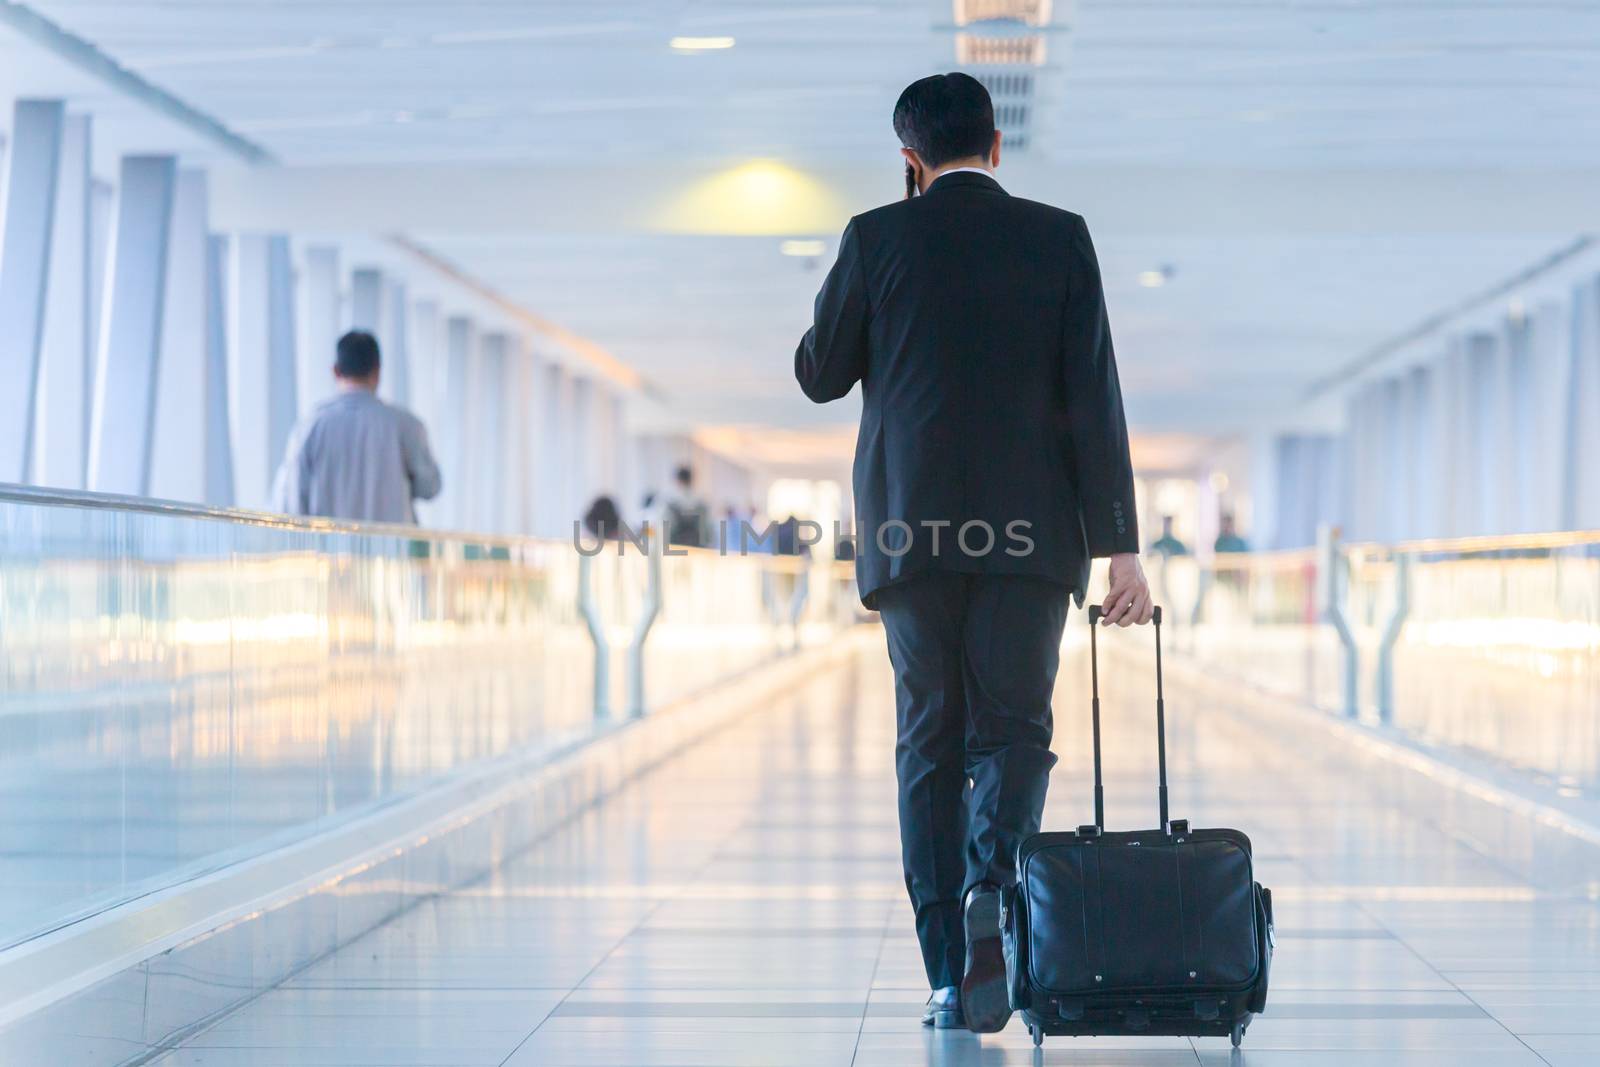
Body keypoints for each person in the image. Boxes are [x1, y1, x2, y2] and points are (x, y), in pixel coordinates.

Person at [795, 72, 1153, 1033]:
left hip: (912, 533)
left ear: (909, 161)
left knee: (929, 737)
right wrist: (1122, 548)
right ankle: (994, 888)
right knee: (1014, 729)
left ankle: (949, 968)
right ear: (998, 147)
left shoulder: (877, 236)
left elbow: (819, 374)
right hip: (1034, 536)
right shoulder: (1060, 236)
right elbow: (1095, 397)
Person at [271, 331, 441, 524]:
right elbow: (430, 487)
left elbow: (291, 503)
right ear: (377, 372)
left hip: (326, 551)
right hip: (391, 550)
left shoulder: (310, 427)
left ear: (335, 371)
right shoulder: (406, 425)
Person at [662, 465, 711, 548]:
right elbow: (706, 529)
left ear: (678, 480)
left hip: (677, 546)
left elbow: (668, 528)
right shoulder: (701, 501)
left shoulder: (670, 501)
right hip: (698, 547)